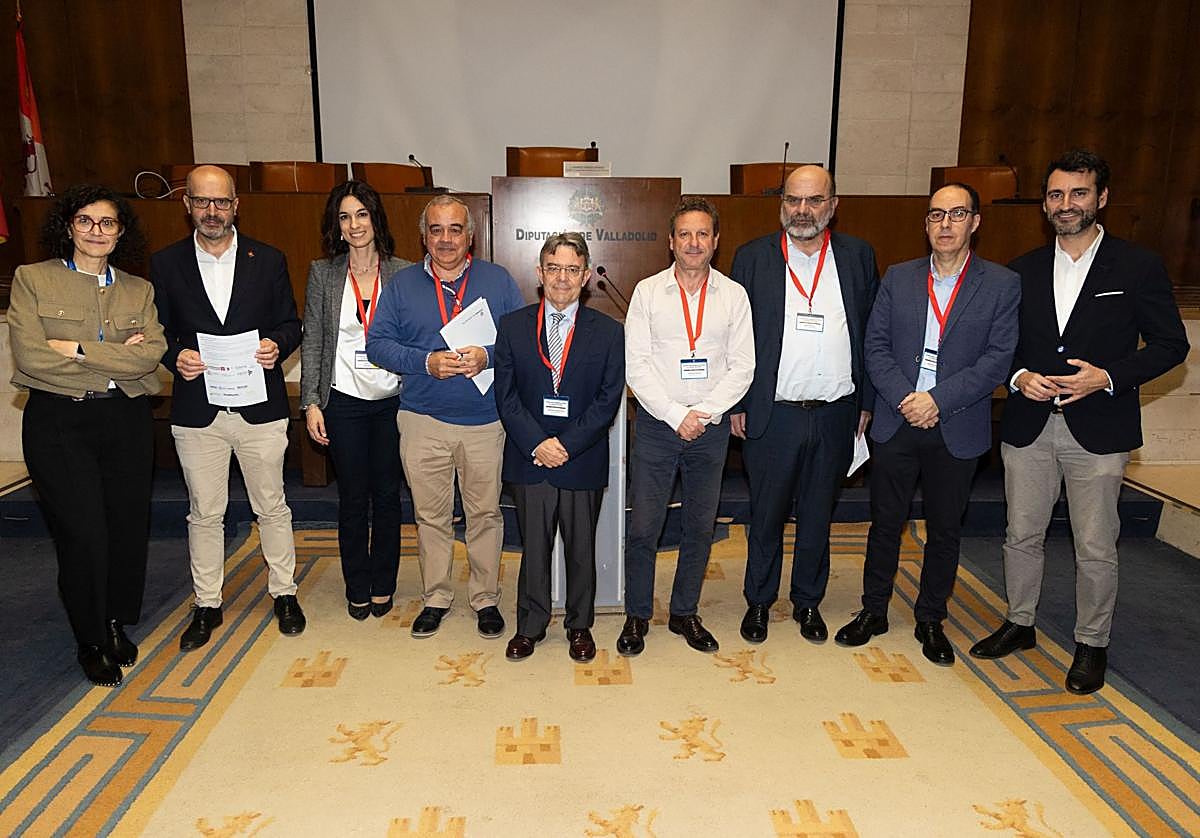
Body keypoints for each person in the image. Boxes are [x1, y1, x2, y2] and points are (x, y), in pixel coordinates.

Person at [970, 150, 1189, 693]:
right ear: (1045, 202)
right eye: (1056, 195)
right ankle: (1019, 623)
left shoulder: (1137, 266)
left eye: (1078, 193)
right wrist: (1019, 376)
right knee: (1021, 533)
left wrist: (1107, 376)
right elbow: (1005, 346)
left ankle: (1092, 642)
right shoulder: (1020, 269)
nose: (1066, 204)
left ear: (1101, 197)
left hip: (1100, 426)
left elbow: (1171, 345)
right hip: (1029, 424)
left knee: (1095, 542)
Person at [834, 183, 1020, 665]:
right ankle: (873, 610)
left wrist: (935, 399)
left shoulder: (1000, 284)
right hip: (898, 421)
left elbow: (997, 360)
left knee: (944, 529)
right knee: (885, 523)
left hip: (955, 423)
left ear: (975, 222)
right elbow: (874, 347)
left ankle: (931, 617)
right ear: (926, 224)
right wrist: (904, 398)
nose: (945, 225)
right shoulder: (899, 277)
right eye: (936, 215)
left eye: (957, 214)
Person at [9, 184, 166, 687]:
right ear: (68, 226)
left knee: (124, 529)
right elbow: (32, 359)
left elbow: (152, 359)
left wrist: (76, 349)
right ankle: (90, 638)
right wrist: (118, 358)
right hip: (60, 425)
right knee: (83, 535)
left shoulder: (138, 290)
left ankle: (115, 620)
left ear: (121, 233)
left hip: (125, 423)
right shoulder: (32, 280)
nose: (97, 231)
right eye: (86, 221)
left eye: (108, 223)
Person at [151, 165, 305, 651]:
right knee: (204, 513)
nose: (212, 212)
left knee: (272, 507)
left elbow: (290, 323)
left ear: (236, 205)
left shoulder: (269, 258)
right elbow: (158, 332)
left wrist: (275, 346)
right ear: (187, 206)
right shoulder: (166, 263)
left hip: (260, 405)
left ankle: (284, 592)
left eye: (221, 202)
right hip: (199, 411)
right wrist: (174, 356)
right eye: (202, 202)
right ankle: (207, 602)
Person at [730, 165, 879, 645]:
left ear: (833, 205)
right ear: (781, 206)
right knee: (767, 514)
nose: (803, 210)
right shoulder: (752, 257)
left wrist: (867, 401)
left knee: (818, 513)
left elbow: (871, 334)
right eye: (794, 200)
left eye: (814, 201)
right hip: (774, 412)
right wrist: (737, 403)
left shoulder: (857, 256)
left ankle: (808, 602)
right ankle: (758, 601)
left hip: (837, 410)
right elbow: (734, 339)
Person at [367, 196, 525, 639]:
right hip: (422, 420)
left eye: (455, 229)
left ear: (470, 235)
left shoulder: (497, 280)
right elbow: (377, 344)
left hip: (485, 421)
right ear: (425, 236)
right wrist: (425, 362)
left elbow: (522, 342)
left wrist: (488, 356)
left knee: (485, 514)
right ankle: (436, 596)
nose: (446, 239)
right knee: (430, 515)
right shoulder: (400, 286)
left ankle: (485, 597)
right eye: (436, 230)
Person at [619, 197, 755, 656]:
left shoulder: (734, 296)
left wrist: (704, 414)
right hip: (659, 426)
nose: (693, 243)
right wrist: (677, 415)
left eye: (702, 234)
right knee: (644, 528)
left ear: (715, 242)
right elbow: (635, 366)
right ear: (670, 242)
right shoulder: (647, 292)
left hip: (710, 428)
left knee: (699, 526)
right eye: (685, 234)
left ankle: (684, 612)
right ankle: (637, 614)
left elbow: (743, 367)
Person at [494, 233, 624, 662]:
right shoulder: (512, 327)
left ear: (586, 276)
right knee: (533, 547)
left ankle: (580, 626)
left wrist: (565, 446)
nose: (562, 278)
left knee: (580, 548)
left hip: (581, 458)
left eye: (572, 269)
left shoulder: (607, 332)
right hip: (530, 457)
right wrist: (539, 443)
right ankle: (529, 625)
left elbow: (608, 399)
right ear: (539, 273)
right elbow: (506, 397)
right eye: (554, 268)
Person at [300, 180, 412, 620]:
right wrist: (310, 402)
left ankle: (383, 582)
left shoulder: (403, 273)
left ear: (375, 219)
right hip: (342, 400)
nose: (354, 224)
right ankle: (356, 583)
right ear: (337, 225)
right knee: (352, 497)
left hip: (393, 401)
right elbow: (313, 343)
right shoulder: (323, 273)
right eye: (345, 217)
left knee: (387, 495)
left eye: (361, 214)